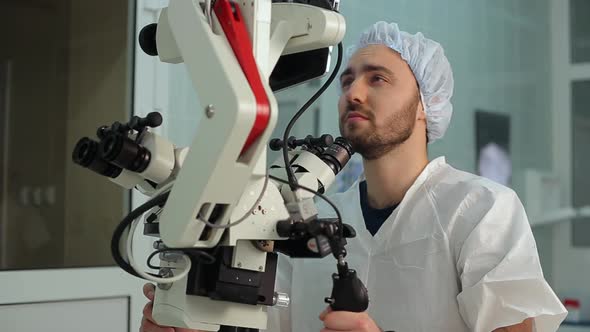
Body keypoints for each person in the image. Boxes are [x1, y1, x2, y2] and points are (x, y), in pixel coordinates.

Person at [140, 21, 567, 332]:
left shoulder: (480, 209)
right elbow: (273, 319)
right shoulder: (310, 218)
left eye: (377, 78)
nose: (353, 93)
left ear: (425, 106)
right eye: (347, 81)